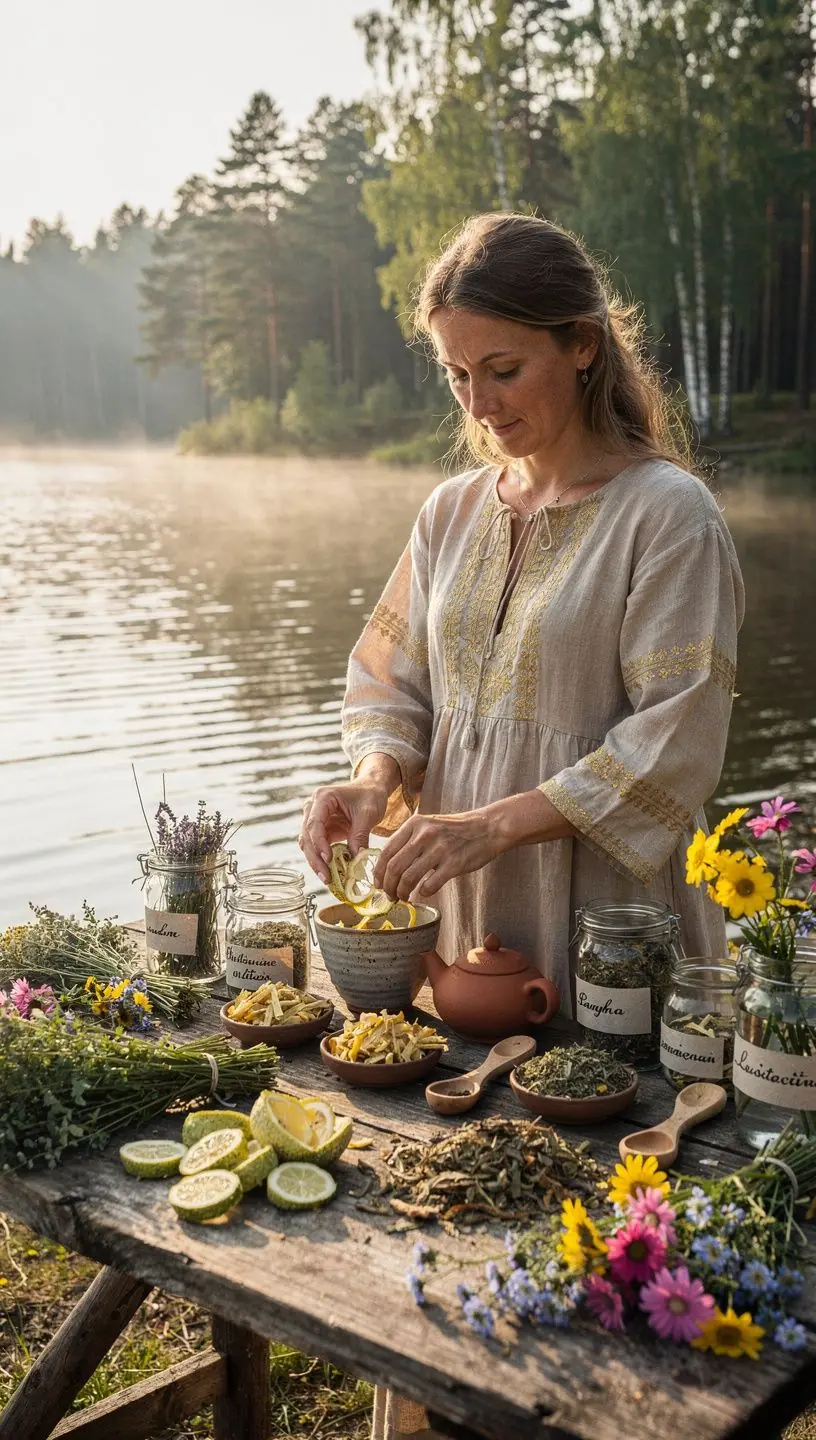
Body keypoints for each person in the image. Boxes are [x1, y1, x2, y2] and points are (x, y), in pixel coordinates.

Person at [299, 212, 744, 1440]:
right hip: (466, 917)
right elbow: (392, 681)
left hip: (609, 920)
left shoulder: (667, 515)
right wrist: (376, 777)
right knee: (447, 1209)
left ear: (584, 348)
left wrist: (497, 822)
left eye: (504, 368)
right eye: (455, 373)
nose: (478, 401)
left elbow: (677, 739)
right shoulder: (448, 512)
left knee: (601, 1243)